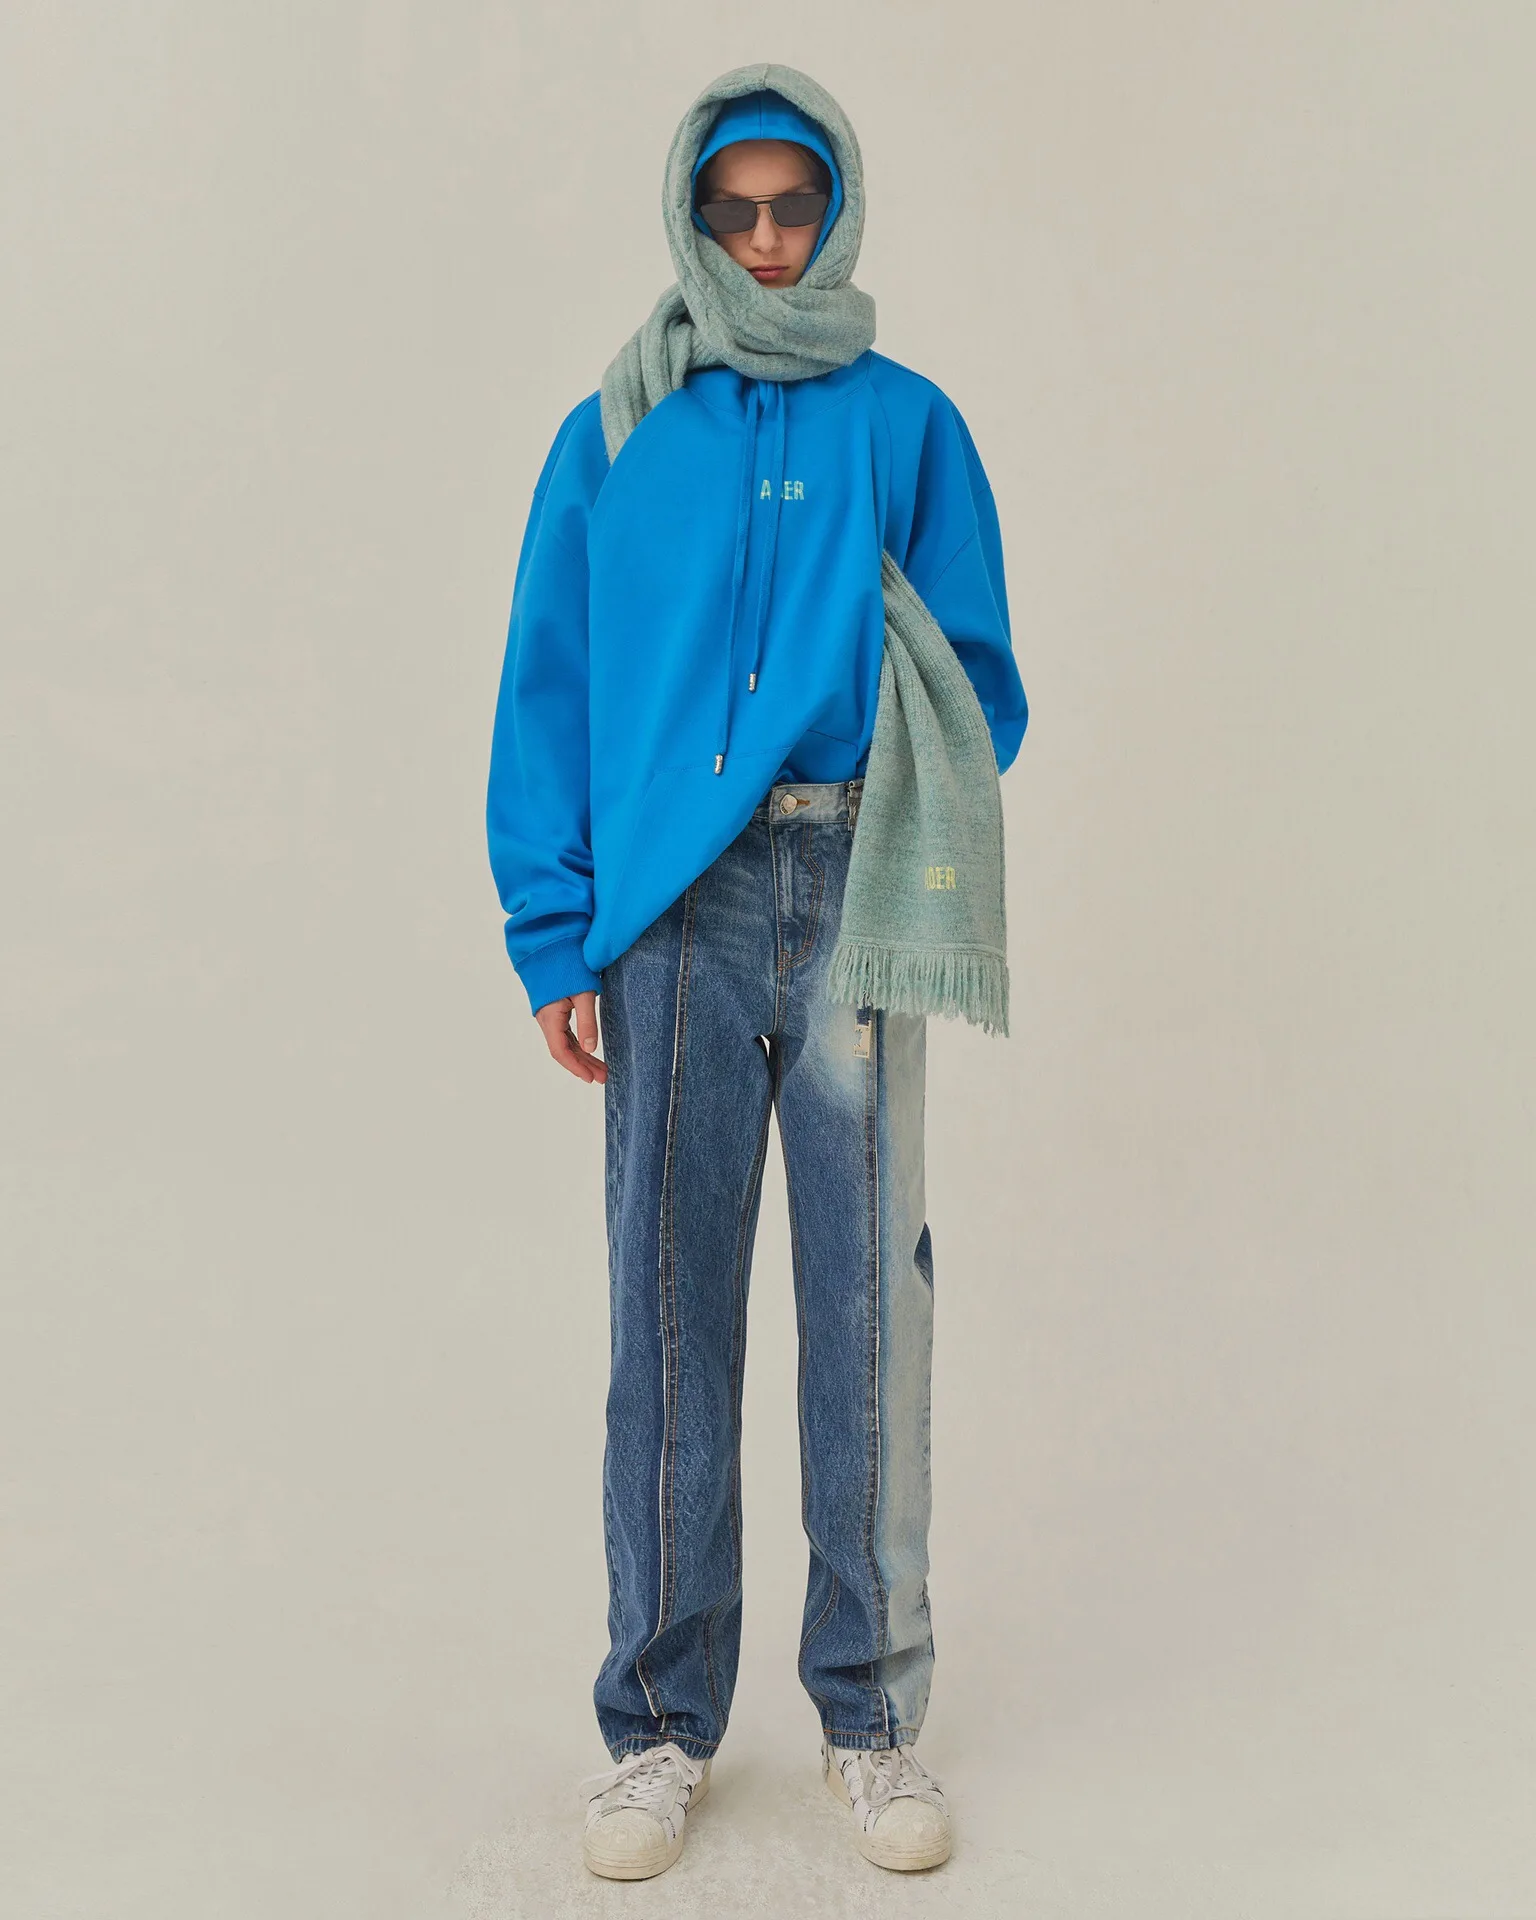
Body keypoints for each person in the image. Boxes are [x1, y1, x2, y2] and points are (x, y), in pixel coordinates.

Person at [485, 66, 1027, 1882]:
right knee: (668, 1311)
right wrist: (555, 929)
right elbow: (550, 684)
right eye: (741, 211)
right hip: (670, 917)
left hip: (855, 888)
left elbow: (981, 685)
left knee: (868, 1311)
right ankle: (656, 1724)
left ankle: (868, 1718)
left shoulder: (908, 422)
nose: (772, 239)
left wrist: (890, 796)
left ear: (840, 212)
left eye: (800, 207)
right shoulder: (620, 425)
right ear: (696, 217)